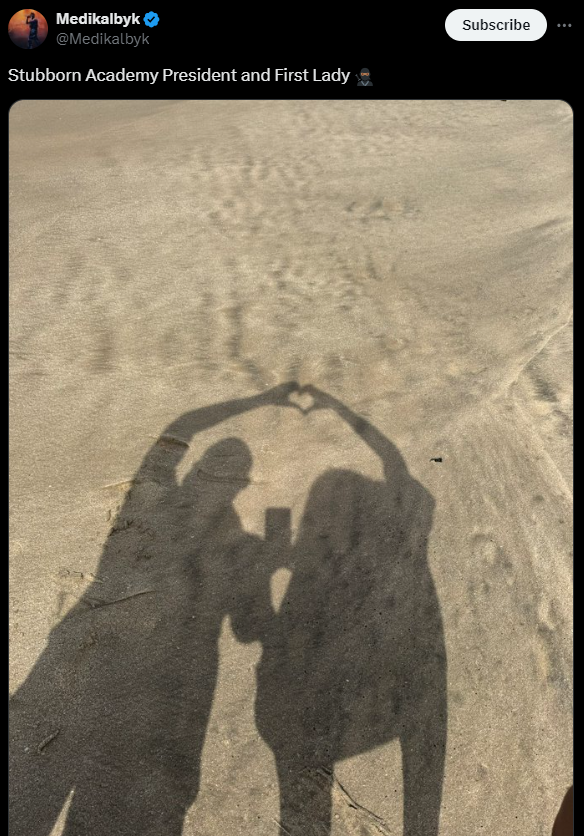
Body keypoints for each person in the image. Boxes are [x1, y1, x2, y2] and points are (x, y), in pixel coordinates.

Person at [251, 385, 446, 836]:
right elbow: (393, 461)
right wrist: (336, 404)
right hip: (402, 689)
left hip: (309, 714)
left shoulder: (312, 572)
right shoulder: (408, 520)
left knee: (302, 802)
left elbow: (250, 629)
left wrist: (270, 570)